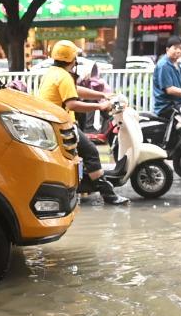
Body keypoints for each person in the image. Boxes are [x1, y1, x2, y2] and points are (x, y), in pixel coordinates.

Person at [35, 41, 125, 204]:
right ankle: (108, 195)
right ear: (71, 59)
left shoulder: (54, 72)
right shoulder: (64, 76)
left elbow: (75, 90)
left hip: (53, 122)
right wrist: (100, 106)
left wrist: (102, 95)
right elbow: (72, 104)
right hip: (61, 125)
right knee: (91, 151)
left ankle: (86, 186)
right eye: (75, 56)